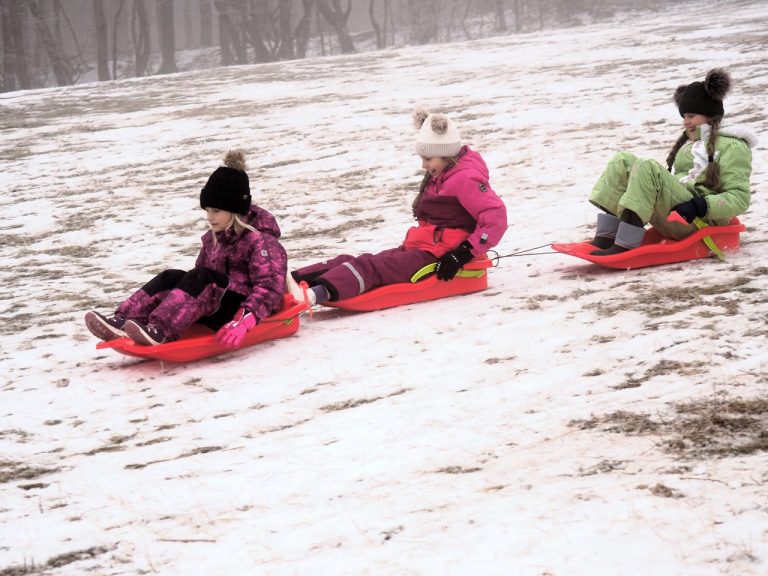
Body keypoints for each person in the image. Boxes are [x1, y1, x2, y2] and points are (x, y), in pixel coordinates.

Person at [286, 108, 507, 306]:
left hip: (438, 255)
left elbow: (495, 216)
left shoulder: (464, 179)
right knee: (353, 261)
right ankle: (288, 282)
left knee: (372, 267)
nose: (424, 165)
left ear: (447, 153)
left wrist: (463, 253)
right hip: (423, 246)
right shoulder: (444, 173)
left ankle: (313, 295)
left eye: (428, 158)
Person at [85, 150, 287, 347]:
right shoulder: (213, 239)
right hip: (216, 304)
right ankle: (123, 319)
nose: (210, 217)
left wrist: (245, 320)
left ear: (235, 210)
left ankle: (161, 329)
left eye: (216, 211)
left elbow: (270, 288)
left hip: (244, 310)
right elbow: (195, 282)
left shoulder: (260, 241)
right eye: (207, 210)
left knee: (205, 279)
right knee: (172, 277)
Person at [586, 68, 757, 255]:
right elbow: (679, 184)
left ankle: (626, 243)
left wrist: (699, 206)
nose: (686, 121)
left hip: (700, 220)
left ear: (709, 115)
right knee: (623, 160)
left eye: (691, 116)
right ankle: (607, 235)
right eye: (684, 116)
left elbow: (740, 198)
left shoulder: (733, 147)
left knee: (648, 167)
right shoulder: (689, 147)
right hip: (680, 213)